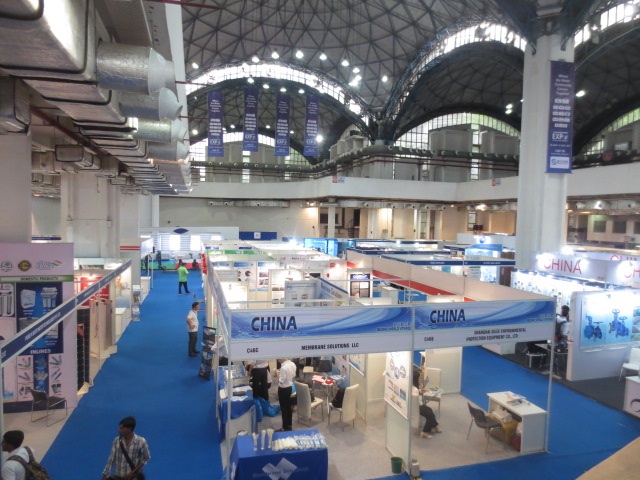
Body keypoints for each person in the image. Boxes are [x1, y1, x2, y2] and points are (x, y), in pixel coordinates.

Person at [413, 367, 442, 439]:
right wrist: (420, 390)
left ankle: (434, 426)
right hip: (416, 406)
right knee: (430, 414)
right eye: (418, 379)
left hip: (417, 404)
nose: (419, 380)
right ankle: (424, 432)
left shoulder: (413, 387)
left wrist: (420, 390)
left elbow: (415, 391)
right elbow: (415, 395)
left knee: (430, 410)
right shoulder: (414, 389)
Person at [276, 357, 297, 431]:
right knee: (289, 407)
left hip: (283, 389)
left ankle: (284, 427)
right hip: (290, 387)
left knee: (284, 409)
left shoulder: (283, 368)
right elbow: (294, 375)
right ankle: (289, 425)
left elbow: (281, 381)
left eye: (278, 358)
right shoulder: (293, 364)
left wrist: (277, 374)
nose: (278, 360)